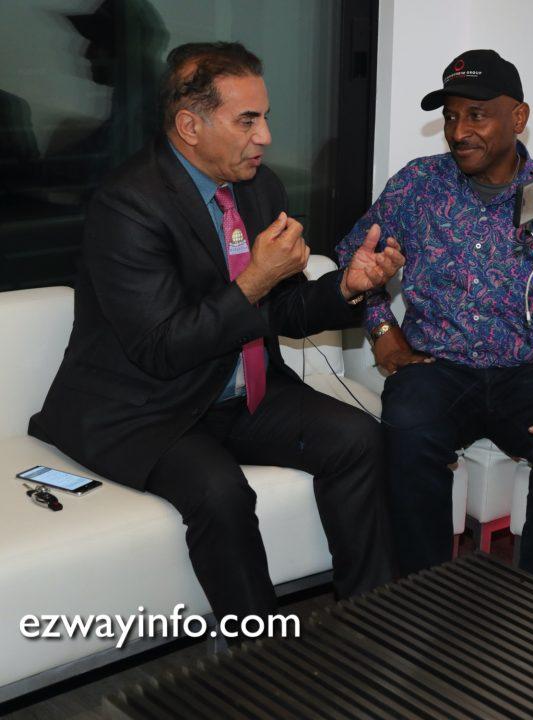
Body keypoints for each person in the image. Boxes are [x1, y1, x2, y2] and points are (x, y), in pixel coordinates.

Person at [29, 42, 404, 625]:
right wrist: (256, 279)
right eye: (247, 121)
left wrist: (347, 287)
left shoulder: (260, 188)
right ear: (190, 126)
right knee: (219, 490)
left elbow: (285, 311)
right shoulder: (127, 205)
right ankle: (258, 652)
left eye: (265, 117)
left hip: (240, 393)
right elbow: (162, 348)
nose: (265, 137)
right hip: (148, 407)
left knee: (358, 438)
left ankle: (373, 624)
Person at [336, 50, 533, 592]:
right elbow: (355, 256)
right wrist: (382, 328)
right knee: (407, 429)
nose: (458, 131)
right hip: (436, 366)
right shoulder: (419, 184)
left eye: (477, 115)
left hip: (530, 370)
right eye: (450, 116)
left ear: (518, 117)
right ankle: (420, 596)